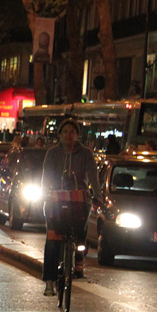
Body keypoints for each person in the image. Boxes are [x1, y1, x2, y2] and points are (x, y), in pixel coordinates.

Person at [40, 119, 101, 296]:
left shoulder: (86, 154)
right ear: (60, 134)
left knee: (81, 230)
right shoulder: (52, 153)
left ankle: (79, 261)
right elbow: (47, 176)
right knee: (52, 239)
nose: (68, 135)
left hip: (78, 200)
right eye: (65, 132)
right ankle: (49, 282)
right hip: (55, 199)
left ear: (77, 135)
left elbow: (93, 177)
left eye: (72, 132)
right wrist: (45, 193)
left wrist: (97, 196)